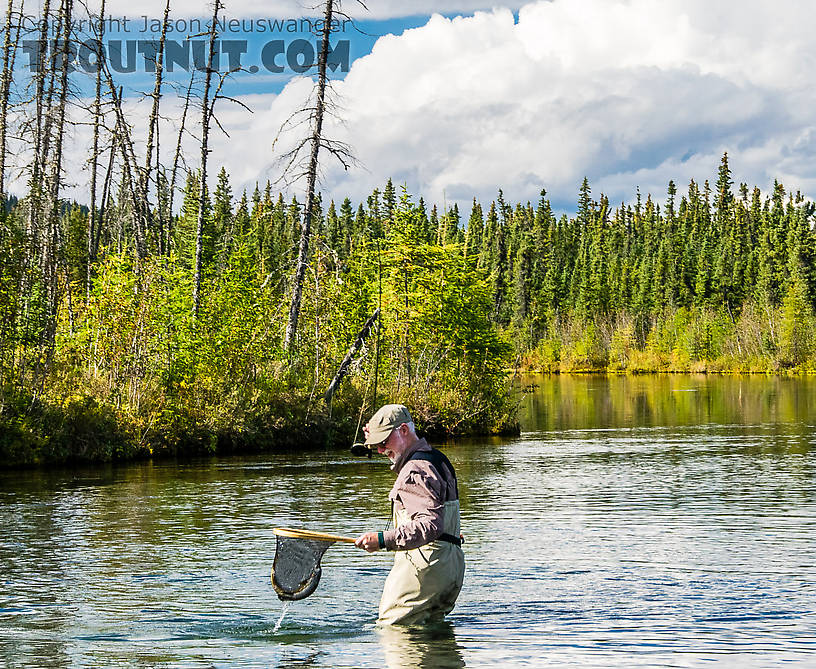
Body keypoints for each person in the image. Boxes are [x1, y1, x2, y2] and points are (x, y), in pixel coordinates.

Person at [354, 404, 465, 626]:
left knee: (394, 632)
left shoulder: (415, 469)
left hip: (424, 570)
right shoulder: (436, 459)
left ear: (404, 430)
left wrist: (383, 540)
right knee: (433, 641)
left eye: (384, 442)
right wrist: (378, 434)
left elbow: (430, 524)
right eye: (377, 444)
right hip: (449, 568)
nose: (380, 450)